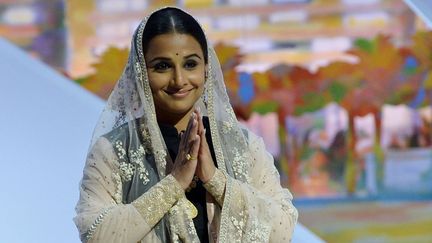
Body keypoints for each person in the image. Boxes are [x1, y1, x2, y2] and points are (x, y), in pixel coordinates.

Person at [74, 7, 298, 243]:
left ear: (206, 68)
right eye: (162, 66)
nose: (179, 80)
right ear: (140, 73)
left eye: (190, 64)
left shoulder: (243, 145)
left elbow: (282, 231)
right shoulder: (113, 151)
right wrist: (174, 183)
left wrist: (214, 179)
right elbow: (95, 235)